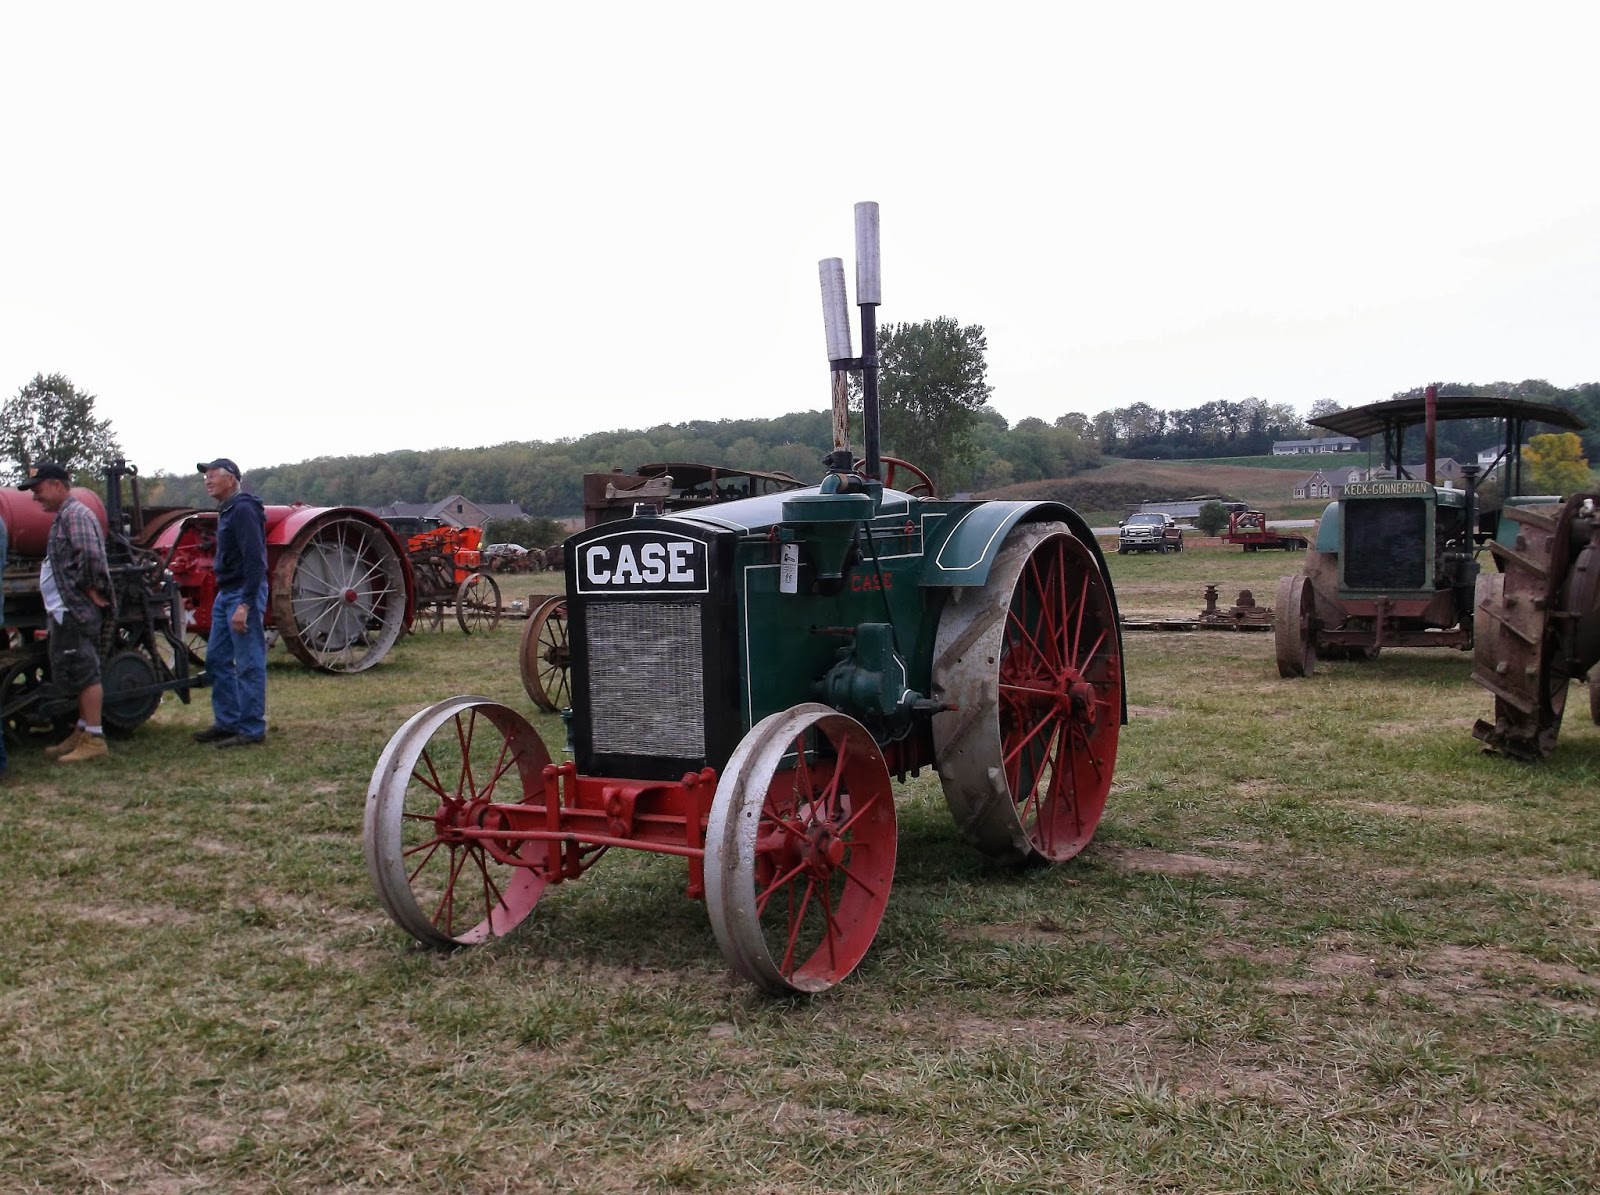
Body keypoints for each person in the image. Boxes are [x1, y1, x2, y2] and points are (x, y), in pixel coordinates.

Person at [19, 463, 115, 764]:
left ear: (58, 485)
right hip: (65, 610)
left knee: (86, 672)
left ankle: (95, 739)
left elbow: (89, 555)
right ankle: (82, 730)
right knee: (76, 670)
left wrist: (86, 588)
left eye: (39, 489)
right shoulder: (64, 516)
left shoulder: (76, 514)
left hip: (74, 608)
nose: (36, 497)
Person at [193, 458, 268, 748]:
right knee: (216, 659)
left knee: (248, 662)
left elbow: (255, 560)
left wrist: (246, 604)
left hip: (241, 594)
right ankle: (228, 722)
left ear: (231, 479)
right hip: (227, 594)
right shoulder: (227, 510)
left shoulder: (244, 510)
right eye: (206, 477)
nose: (208, 481)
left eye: (213, 475)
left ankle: (251, 729)